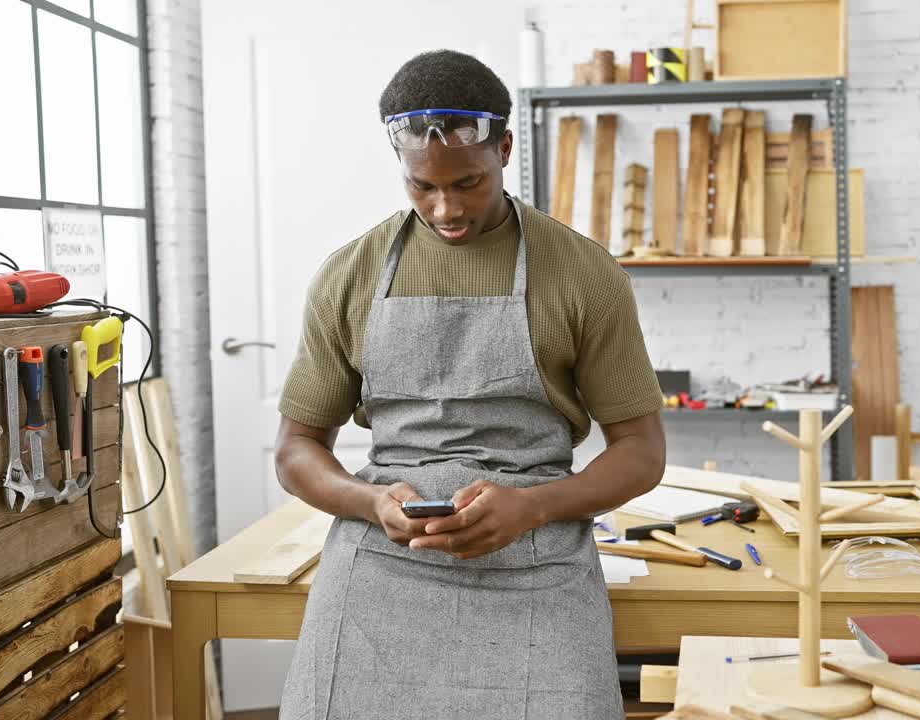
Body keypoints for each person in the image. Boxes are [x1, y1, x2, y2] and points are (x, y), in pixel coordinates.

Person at [273, 49, 667, 720]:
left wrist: (535, 507)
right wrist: (370, 503)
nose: (446, 208)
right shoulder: (351, 275)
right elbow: (295, 450)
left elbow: (641, 451)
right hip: (383, 563)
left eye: (468, 183)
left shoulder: (582, 275)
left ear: (505, 148)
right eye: (421, 187)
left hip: (537, 559)